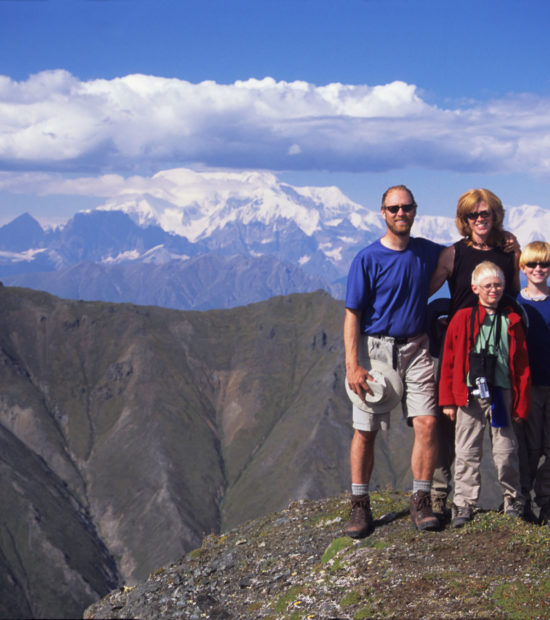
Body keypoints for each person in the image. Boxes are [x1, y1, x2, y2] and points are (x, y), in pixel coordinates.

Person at [343, 184, 443, 537]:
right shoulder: (367, 258)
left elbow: (458, 257)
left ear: (415, 211)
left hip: (417, 347)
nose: (401, 213)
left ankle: (421, 499)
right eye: (394, 208)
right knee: (365, 430)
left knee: (427, 424)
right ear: (383, 213)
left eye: (407, 207)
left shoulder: (427, 252)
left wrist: (508, 245)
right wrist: (352, 365)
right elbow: (352, 313)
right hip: (377, 352)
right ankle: (359, 504)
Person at [429, 189, 521, 520]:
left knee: (503, 440)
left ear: (496, 216)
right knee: (452, 432)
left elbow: (515, 294)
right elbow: (428, 289)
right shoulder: (453, 254)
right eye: (473, 215)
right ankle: (445, 496)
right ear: (464, 219)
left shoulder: (509, 251)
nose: (480, 220)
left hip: (499, 353)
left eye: (486, 214)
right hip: (460, 347)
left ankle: (513, 498)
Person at [439, 261, 530, 528]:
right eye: (488, 285)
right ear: (475, 287)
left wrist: (521, 405)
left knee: (506, 450)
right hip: (468, 395)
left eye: (498, 285)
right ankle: (463, 503)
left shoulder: (511, 320)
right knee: (467, 450)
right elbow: (450, 361)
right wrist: (447, 400)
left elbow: (523, 367)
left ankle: (513, 499)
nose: (494, 290)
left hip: (502, 394)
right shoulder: (462, 319)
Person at [516, 241, 550, 524]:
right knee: (528, 447)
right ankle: (522, 501)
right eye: (532, 264)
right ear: (523, 268)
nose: (539, 269)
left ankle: (548, 503)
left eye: (545, 264)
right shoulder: (515, 304)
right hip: (528, 387)